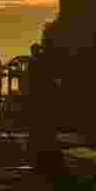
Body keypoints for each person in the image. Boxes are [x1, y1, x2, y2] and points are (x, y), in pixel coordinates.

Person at [27, 42, 63, 174]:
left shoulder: (33, 63)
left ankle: (41, 151)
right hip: (45, 95)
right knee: (46, 123)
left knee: (40, 123)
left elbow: (30, 80)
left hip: (38, 95)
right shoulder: (45, 61)